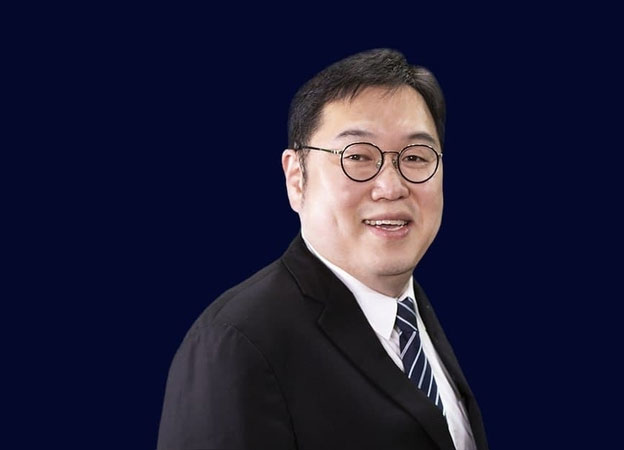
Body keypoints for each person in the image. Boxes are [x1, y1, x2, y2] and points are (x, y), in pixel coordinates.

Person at [157, 48, 489, 450]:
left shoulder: (411, 315)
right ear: (297, 178)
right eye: (358, 156)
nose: (391, 187)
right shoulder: (236, 344)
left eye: (416, 157)